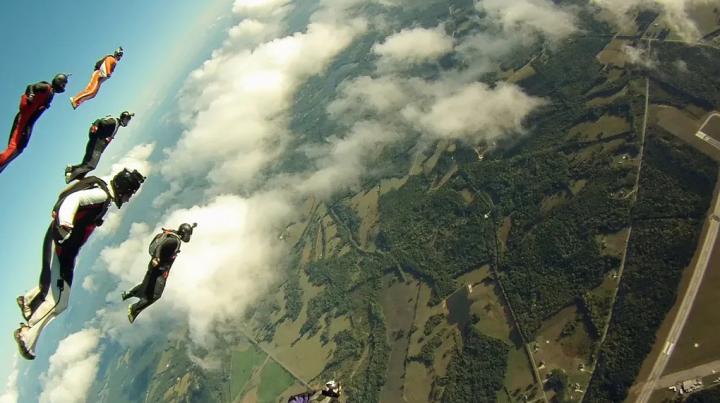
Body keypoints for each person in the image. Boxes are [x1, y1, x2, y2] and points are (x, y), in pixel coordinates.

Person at [14, 168, 145, 360]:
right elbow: (73, 199)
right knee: (59, 302)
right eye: (129, 194)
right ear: (122, 189)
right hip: (62, 249)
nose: (127, 199)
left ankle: (28, 300)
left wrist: (60, 217)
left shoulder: (100, 184)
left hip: (61, 247)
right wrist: (65, 222)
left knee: (56, 291)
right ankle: (27, 335)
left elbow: (67, 193)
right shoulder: (101, 195)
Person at [122, 222, 197, 323]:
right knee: (155, 295)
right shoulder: (174, 241)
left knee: (146, 284)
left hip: (155, 267)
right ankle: (133, 309)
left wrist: (192, 227)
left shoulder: (174, 234)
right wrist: (156, 258)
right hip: (158, 270)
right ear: (184, 233)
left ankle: (128, 294)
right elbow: (160, 246)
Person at [0, 74, 69, 174]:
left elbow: (36, 113)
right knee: (14, 148)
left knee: (19, 149)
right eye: (63, 84)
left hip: (28, 122)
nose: (63, 87)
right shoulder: (46, 87)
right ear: (58, 81)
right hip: (22, 120)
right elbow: (30, 86)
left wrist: (29, 127)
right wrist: (31, 95)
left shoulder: (51, 94)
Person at [64, 111, 134, 183]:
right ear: (123, 118)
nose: (127, 122)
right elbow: (100, 121)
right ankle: (70, 177)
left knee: (86, 165)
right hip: (96, 145)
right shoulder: (113, 122)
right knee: (90, 165)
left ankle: (71, 169)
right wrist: (95, 126)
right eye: (127, 120)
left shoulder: (117, 125)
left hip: (98, 147)